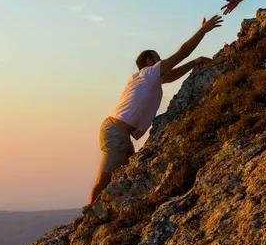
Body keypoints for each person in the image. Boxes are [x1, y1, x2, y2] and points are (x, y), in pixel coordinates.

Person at [88, 15, 223, 204]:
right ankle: (88, 218)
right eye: (159, 59)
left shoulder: (144, 77)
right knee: (104, 180)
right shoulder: (149, 73)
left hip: (120, 133)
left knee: (125, 181)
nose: (162, 62)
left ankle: (105, 216)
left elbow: (171, 76)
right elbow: (181, 53)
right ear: (150, 62)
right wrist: (203, 31)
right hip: (116, 133)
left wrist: (194, 63)